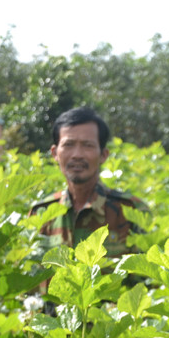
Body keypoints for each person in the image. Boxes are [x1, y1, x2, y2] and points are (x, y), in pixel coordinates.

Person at [31, 106, 145, 261]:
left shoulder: (131, 211)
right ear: (55, 153)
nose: (77, 154)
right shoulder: (41, 213)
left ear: (103, 155)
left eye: (87, 145)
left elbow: (149, 280)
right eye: (69, 145)